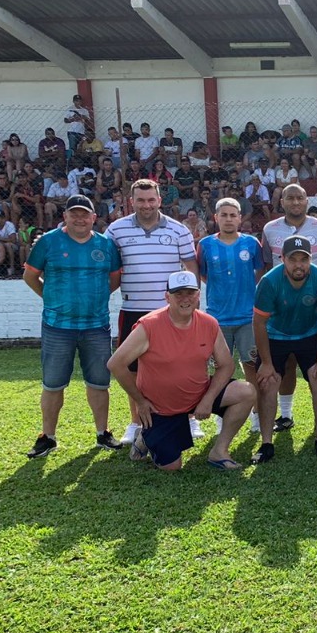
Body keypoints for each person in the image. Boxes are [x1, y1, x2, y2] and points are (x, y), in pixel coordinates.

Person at [107, 271, 256, 471]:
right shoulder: (149, 326)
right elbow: (115, 364)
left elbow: (226, 365)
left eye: (190, 293)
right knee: (171, 467)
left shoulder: (208, 323)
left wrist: (208, 399)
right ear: (167, 297)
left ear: (198, 295)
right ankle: (144, 436)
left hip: (198, 395)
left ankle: (219, 451)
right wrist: (140, 401)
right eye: (178, 294)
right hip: (161, 408)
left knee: (247, 391)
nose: (185, 299)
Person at [21, 195, 124, 458]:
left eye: (84, 214)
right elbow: (30, 276)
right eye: (74, 213)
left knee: (100, 383)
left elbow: (114, 280)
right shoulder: (48, 242)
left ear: (93, 218)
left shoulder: (105, 245)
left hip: (96, 326)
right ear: (65, 216)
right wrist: (52, 298)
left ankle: (103, 433)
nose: (79, 218)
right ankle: (48, 437)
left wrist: (95, 299)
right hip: (58, 326)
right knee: (53, 384)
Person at [105, 178, 198, 447]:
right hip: (133, 310)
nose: (146, 205)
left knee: (182, 366)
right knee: (132, 369)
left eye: (151, 199)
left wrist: (192, 304)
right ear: (131, 201)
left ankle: (187, 419)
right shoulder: (116, 230)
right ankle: (136, 423)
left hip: (170, 312)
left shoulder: (178, 230)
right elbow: (108, 264)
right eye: (140, 200)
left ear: (159, 200)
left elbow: (190, 266)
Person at [251, 236, 317, 463]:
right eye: (293, 259)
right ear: (283, 259)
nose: (298, 264)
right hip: (275, 335)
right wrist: (267, 364)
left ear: (311, 259)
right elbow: (259, 323)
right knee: (268, 383)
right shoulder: (269, 282)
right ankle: (266, 443)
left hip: (310, 333)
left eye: (303, 259)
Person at [263, 182, 317, 431]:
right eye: (290, 198)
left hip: (312, 313)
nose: (295, 202)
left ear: (307, 201)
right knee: (284, 367)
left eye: (300, 198)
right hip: (281, 311)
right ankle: (285, 414)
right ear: (282, 202)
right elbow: (265, 268)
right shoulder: (269, 229)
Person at [197, 197, 264, 434]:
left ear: (239, 218)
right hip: (217, 319)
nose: (228, 219)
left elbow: (258, 273)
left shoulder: (252, 243)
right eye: (223, 215)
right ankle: (220, 413)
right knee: (219, 369)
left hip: (247, 318)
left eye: (232, 215)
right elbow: (203, 275)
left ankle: (257, 414)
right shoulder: (205, 245)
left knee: (251, 367)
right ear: (216, 218)